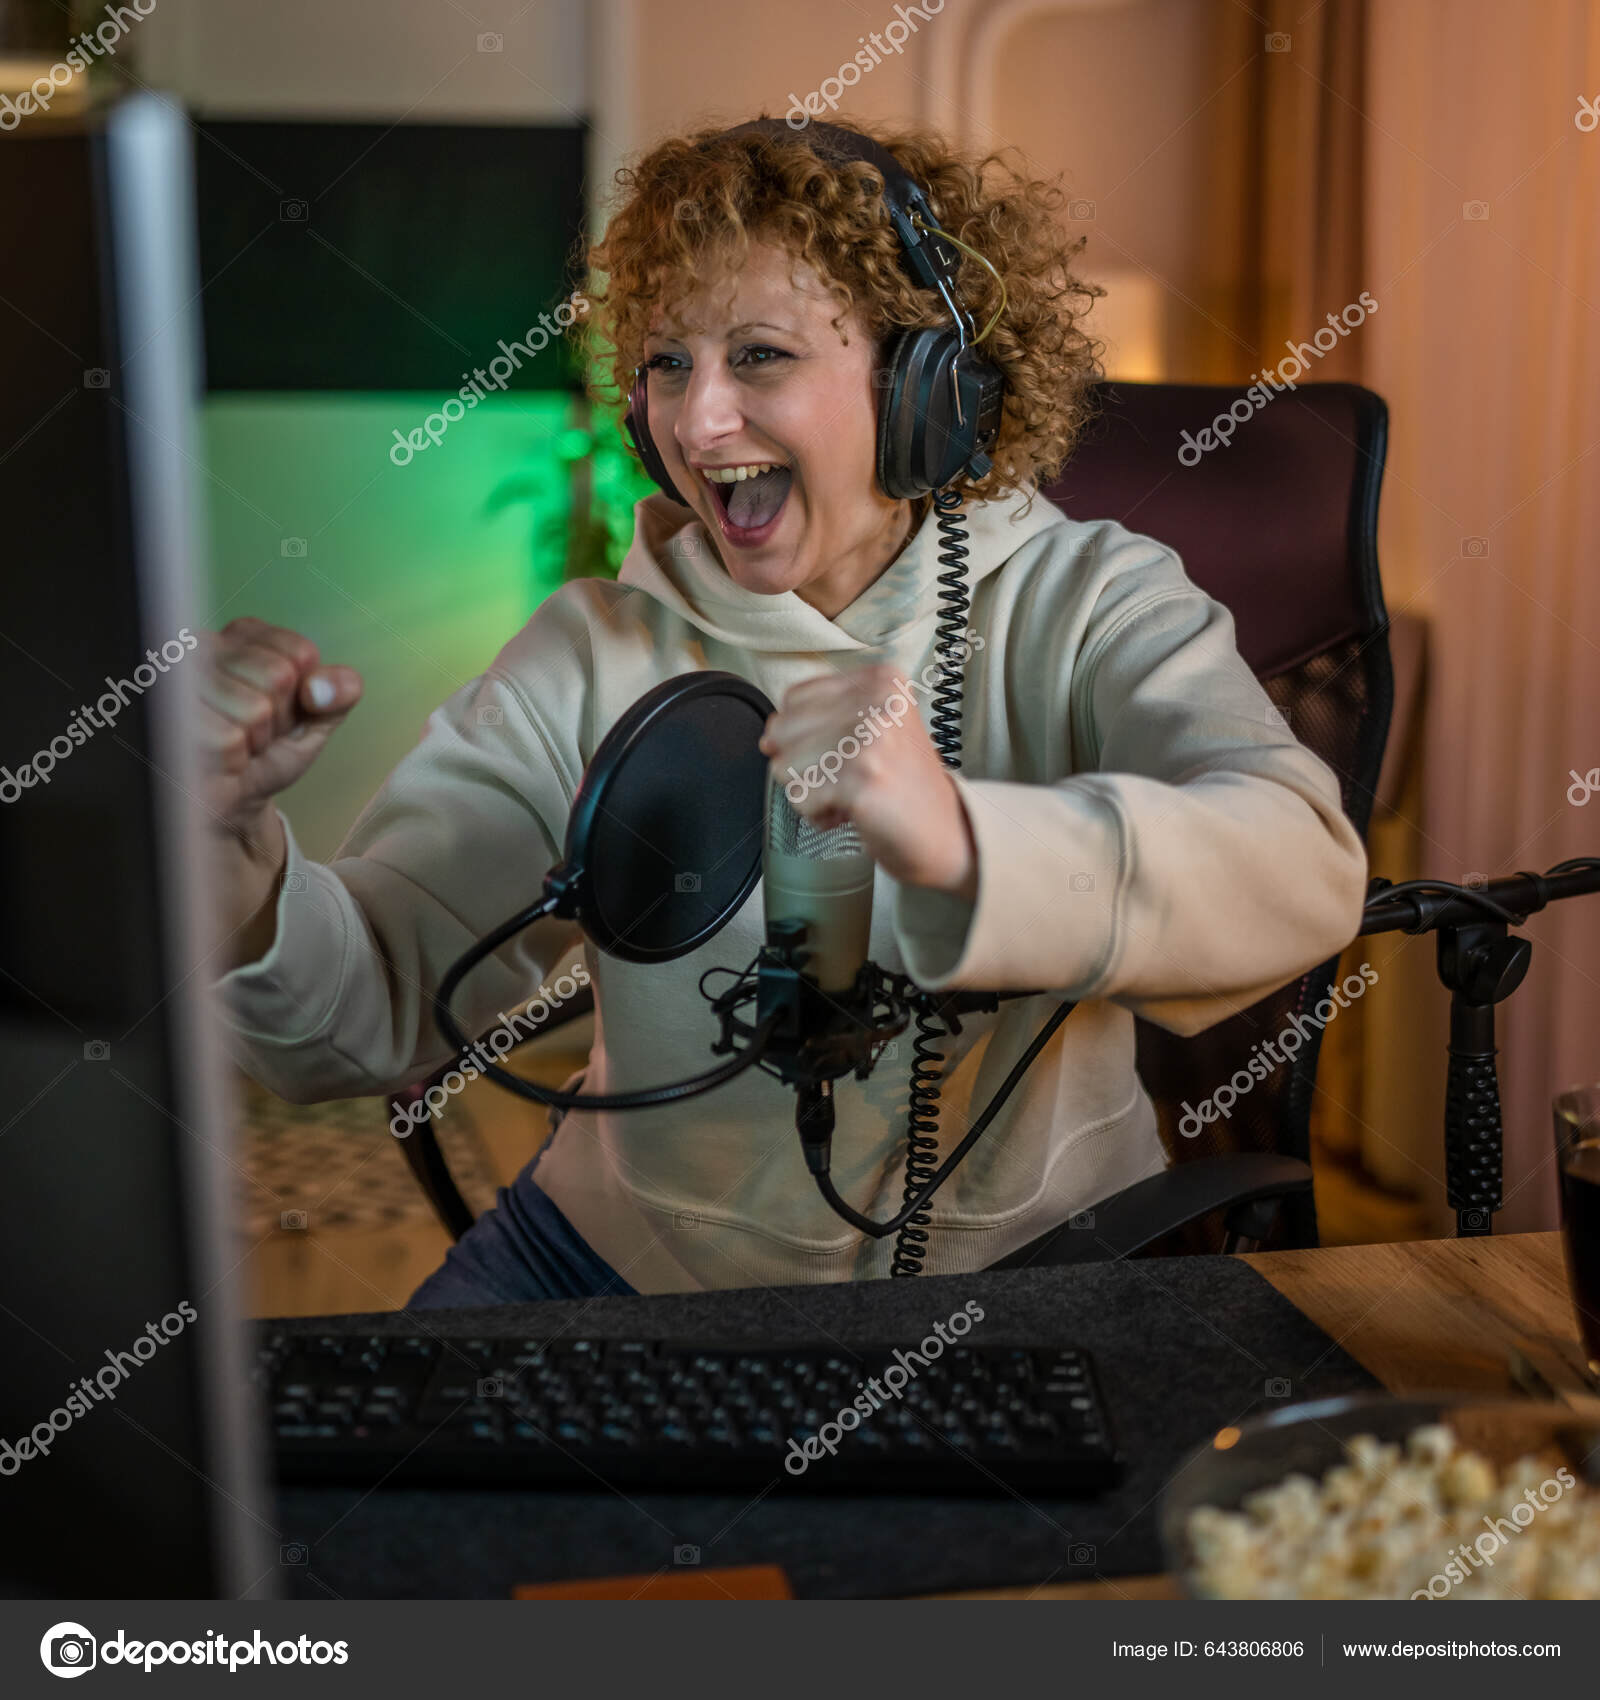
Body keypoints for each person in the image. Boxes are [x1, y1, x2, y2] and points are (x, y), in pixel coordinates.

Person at [202, 117, 1368, 1305]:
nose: (697, 422)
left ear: (925, 382)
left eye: (758, 355)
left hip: (1041, 1268)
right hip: (613, 1260)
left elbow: (1301, 866)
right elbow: (371, 1006)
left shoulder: (1091, 599)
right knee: (342, 1482)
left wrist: (963, 839)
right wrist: (236, 851)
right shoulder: (593, 651)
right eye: (666, 362)